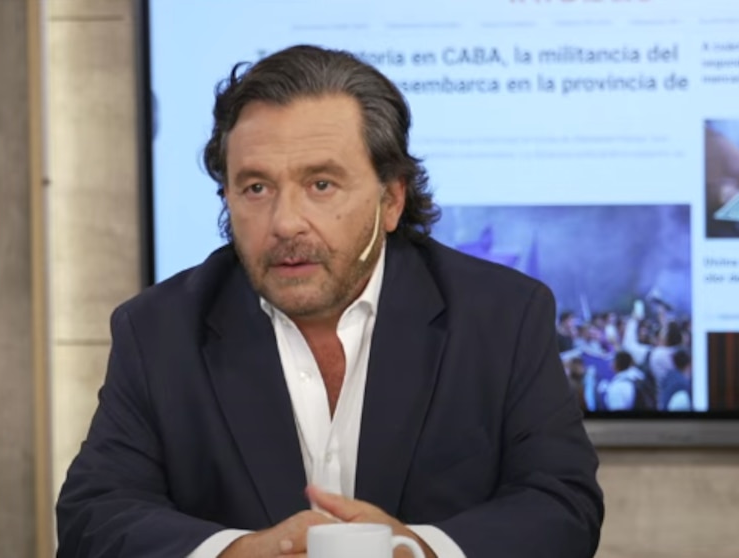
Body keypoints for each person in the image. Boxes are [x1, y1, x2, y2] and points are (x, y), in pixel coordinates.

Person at [55, 45, 604, 558]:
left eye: (321, 184)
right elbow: (93, 515)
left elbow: (562, 506)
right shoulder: (158, 330)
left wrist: (420, 549)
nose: (285, 222)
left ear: (391, 200)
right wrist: (238, 553)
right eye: (256, 188)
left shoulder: (502, 316)